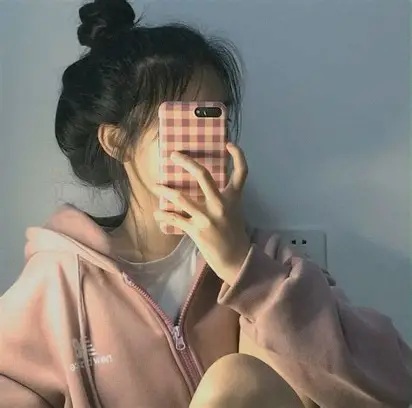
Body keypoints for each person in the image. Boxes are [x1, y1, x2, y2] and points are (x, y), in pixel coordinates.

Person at [1, 0, 411, 407]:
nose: (205, 144)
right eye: (182, 124)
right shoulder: (59, 282)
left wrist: (244, 270)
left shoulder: (264, 261)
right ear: (117, 141)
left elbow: (395, 386)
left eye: (214, 120)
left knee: (238, 379)